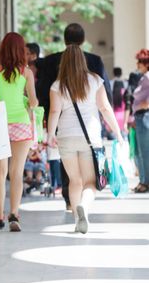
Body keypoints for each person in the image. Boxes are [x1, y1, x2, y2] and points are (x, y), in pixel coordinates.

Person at [47, 45, 123, 234]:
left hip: (66, 136)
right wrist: (118, 133)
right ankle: (84, 207)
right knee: (90, 182)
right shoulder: (95, 80)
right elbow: (105, 108)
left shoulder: (57, 85)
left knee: (74, 180)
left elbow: (55, 111)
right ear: (83, 60)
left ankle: (76, 219)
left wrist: (50, 135)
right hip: (90, 138)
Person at [36, 23, 112, 210]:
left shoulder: (50, 61)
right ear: (84, 40)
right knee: (89, 178)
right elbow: (105, 97)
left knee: (70, 172)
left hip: (61, 124)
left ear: (64, 38)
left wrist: (49, 129)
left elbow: (43, 94)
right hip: (89, 128)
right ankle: (80, 207)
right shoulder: (94, 61)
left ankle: (70, 202)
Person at [0, 32, 38, 232]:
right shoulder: (26, 72)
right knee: (17, 172)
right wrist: (26, 101)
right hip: (21, 123)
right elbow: (34, 101)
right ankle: (14, 214)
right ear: (21, 50)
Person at [131, 49, 149, 193]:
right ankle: (143, 180)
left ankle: (145, 182)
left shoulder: (147, 77)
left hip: (144, 116)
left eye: (140, 61)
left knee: (144, 152)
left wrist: (144, 104)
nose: (137, 64)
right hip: (140, 116)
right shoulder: (143, 77)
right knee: (140, 151)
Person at [109, 67, 128, 136]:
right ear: (121, 73)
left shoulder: (110, 83)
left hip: (113, 107)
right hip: (123, 108)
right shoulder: (125, 83)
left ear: (113, 73)